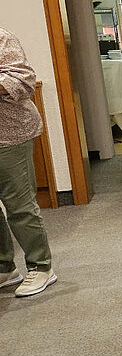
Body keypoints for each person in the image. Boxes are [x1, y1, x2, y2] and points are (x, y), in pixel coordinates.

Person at [0, 28, 57, 298]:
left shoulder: (2, 38)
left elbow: (23, 81)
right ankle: (4, 268)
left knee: (19, 206)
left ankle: (41, 266)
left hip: (9, 134)